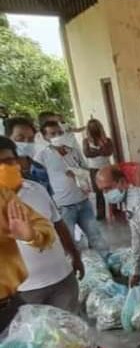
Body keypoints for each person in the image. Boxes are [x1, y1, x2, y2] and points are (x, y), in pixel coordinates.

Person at [6, 139, 84, 314]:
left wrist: (74, 254)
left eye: (8, 160)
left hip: (62, 279)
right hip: (23, 291)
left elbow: (58, 224)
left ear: (18, 161)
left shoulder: (36, 189)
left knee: (70, 327)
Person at [0, 136, 56, 330]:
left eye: (7, 161)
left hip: (10, 303)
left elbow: (45, 227)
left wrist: (30, 236)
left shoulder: (5, 196)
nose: (3, 168)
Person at [36, 121, 109, 259]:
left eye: (60, 132)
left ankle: (109, 262)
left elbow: (86, 169)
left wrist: (78, 173)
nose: (58, 136)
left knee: (96, 236)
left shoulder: (73, 151)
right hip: (63, 205)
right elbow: (39, 181)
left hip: (83, 201)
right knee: (69, 242)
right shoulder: (42, 156)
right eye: (53, 134)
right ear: (45, 137)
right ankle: (74, 266)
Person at [6, 117, 52, 194]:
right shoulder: (4, 172)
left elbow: (49, 194)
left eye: (31, 139)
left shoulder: (39, 167)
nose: (26, 142)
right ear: (7, 139)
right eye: (20, 138)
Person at [82, 119, 114, 220]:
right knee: (98, 192)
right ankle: (101, 214)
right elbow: (87, 154)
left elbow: (109, 152)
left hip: (106, 167)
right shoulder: (86, 141)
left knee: (111, 189)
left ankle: (114, 211)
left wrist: (96, 151)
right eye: (92, 127)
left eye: (96, 126)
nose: (94, 129)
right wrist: (101, 150)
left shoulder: (107, 140)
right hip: (94, 169)